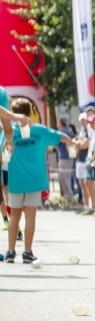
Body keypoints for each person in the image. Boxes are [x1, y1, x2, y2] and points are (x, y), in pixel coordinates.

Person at [2, 99, 75, 264]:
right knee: (30, 217)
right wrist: (71, 142)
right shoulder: (40, 130)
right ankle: (27, 252)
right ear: (30, 113)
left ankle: (11, 252)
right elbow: (60, 136)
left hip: (16, 179)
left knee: (14, 217)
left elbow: (4, 152)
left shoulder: (9, 132)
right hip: (35, 179)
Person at [0, 94, 31, 233]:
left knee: (9, 195)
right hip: (15, 168)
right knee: (11, 196)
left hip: (11, 167)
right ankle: (14, 224)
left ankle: (14, 223)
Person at [73, 113, 92, 214]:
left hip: (86, 160)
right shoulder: (81, 131)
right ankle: (86, 205)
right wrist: (77, 143)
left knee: (87, 183)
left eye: (84, 120)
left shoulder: (90, 131)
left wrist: (78, 144)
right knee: (81, 184)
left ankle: (91, 205)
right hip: (79, 160)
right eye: (81, 121)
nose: (82, 123)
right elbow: (74, 141)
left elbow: (85, 145)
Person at [56, 118, 75, 203]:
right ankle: (69, 196)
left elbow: (55, 142)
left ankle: (69, 197)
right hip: (69, 157)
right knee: (67, 177)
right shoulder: (70, 131)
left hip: (64, 157)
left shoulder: (61, 132)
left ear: (60, 124)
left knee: (63, 177)